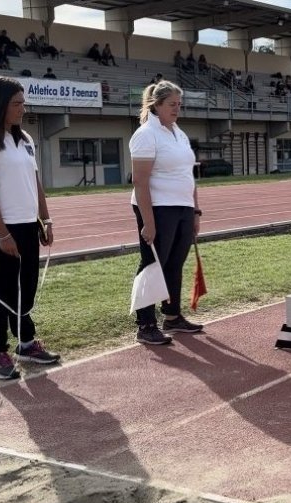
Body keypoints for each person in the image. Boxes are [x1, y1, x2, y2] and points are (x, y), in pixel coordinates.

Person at [0, 77, 61, 380]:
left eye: (24, 102)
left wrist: (45, 219)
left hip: (27, 224)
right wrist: (2, 234)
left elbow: (36, 184)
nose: (23, 108)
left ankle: (26, 343)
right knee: (1, 291)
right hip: (2, 227)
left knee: (26, 286)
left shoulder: (25, 140)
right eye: (17, 103)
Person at [129, 79, 204, 345]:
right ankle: (145, 324)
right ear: (156, 105)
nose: (177, 109)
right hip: (158, 207)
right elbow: (140, 182)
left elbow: (188, 174)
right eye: (172, 104)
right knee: (152, 264)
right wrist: (148, 222)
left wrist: (195, 211)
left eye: (179, 105)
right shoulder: (146, 134)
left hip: (182, 207)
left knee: (174, 263)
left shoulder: (178, 133)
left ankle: (172, 316)